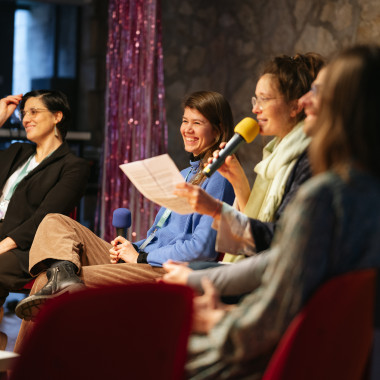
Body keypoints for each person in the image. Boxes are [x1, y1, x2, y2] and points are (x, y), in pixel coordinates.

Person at [179, 44, 380, 379]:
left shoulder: (325, 196)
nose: (305, 101)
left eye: (317, 91)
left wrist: (215, 318)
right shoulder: (365, 189)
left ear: (348, 105)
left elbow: (270, 319)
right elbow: (288, 261)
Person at [13, 90, 235, 327]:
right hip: (145, 259)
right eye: (184, 121)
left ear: (218, 128)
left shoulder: (220, 177)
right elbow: (158, 235)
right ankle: (63, 278)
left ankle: (27, 361)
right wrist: (132, 247)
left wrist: (141, 256)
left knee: (49, 282)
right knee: (55, 221)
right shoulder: (186, 173)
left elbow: (201, 250)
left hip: (166, 271)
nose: (187, 129)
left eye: (197, 123)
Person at [162, 67, 329, 293]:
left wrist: (216, 210)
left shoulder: (308, 161)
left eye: (264, 99)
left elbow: (278, 244)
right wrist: (238, 180)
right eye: (184, 121)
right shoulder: (274, 156)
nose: (254, 109)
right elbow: (264, 230)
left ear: (294, 107)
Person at [0, 90, 89, 309]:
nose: (26, 119)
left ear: (57, 116)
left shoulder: (73, 167)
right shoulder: (16, 151)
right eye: (23, 113)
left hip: (25, 248)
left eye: (34, 111)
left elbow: (45, 217)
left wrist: (3, 245)